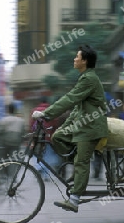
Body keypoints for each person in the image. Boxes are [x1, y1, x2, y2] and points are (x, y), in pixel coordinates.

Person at [32, 44, 108, 213]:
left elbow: (70, 99)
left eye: (77, 57)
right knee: (57, 137)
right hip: (83, 125)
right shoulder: (85, 77)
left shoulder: (89, 79)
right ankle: (76, 166)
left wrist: (47, 113)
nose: (74, 59)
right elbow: (76, 109)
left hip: (91, 128)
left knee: (82, 162)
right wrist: (62, 128)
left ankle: (74, 200)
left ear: (85, 61)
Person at [30, 97, 64, 181]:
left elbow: (31, 124)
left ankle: (39, 166)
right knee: (48, 154)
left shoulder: (35, 110)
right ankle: (45, 175)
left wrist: (32, 134)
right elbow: (55, 124)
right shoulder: (51, 110)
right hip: (48, 136)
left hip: (37, 136)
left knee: (38, 153)